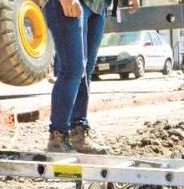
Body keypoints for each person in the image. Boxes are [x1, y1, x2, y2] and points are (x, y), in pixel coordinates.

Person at [44, 0, 137, 153]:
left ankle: (78, 133)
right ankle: (57, 137)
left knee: (85, 72)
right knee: (73, 69)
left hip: (98, 6)